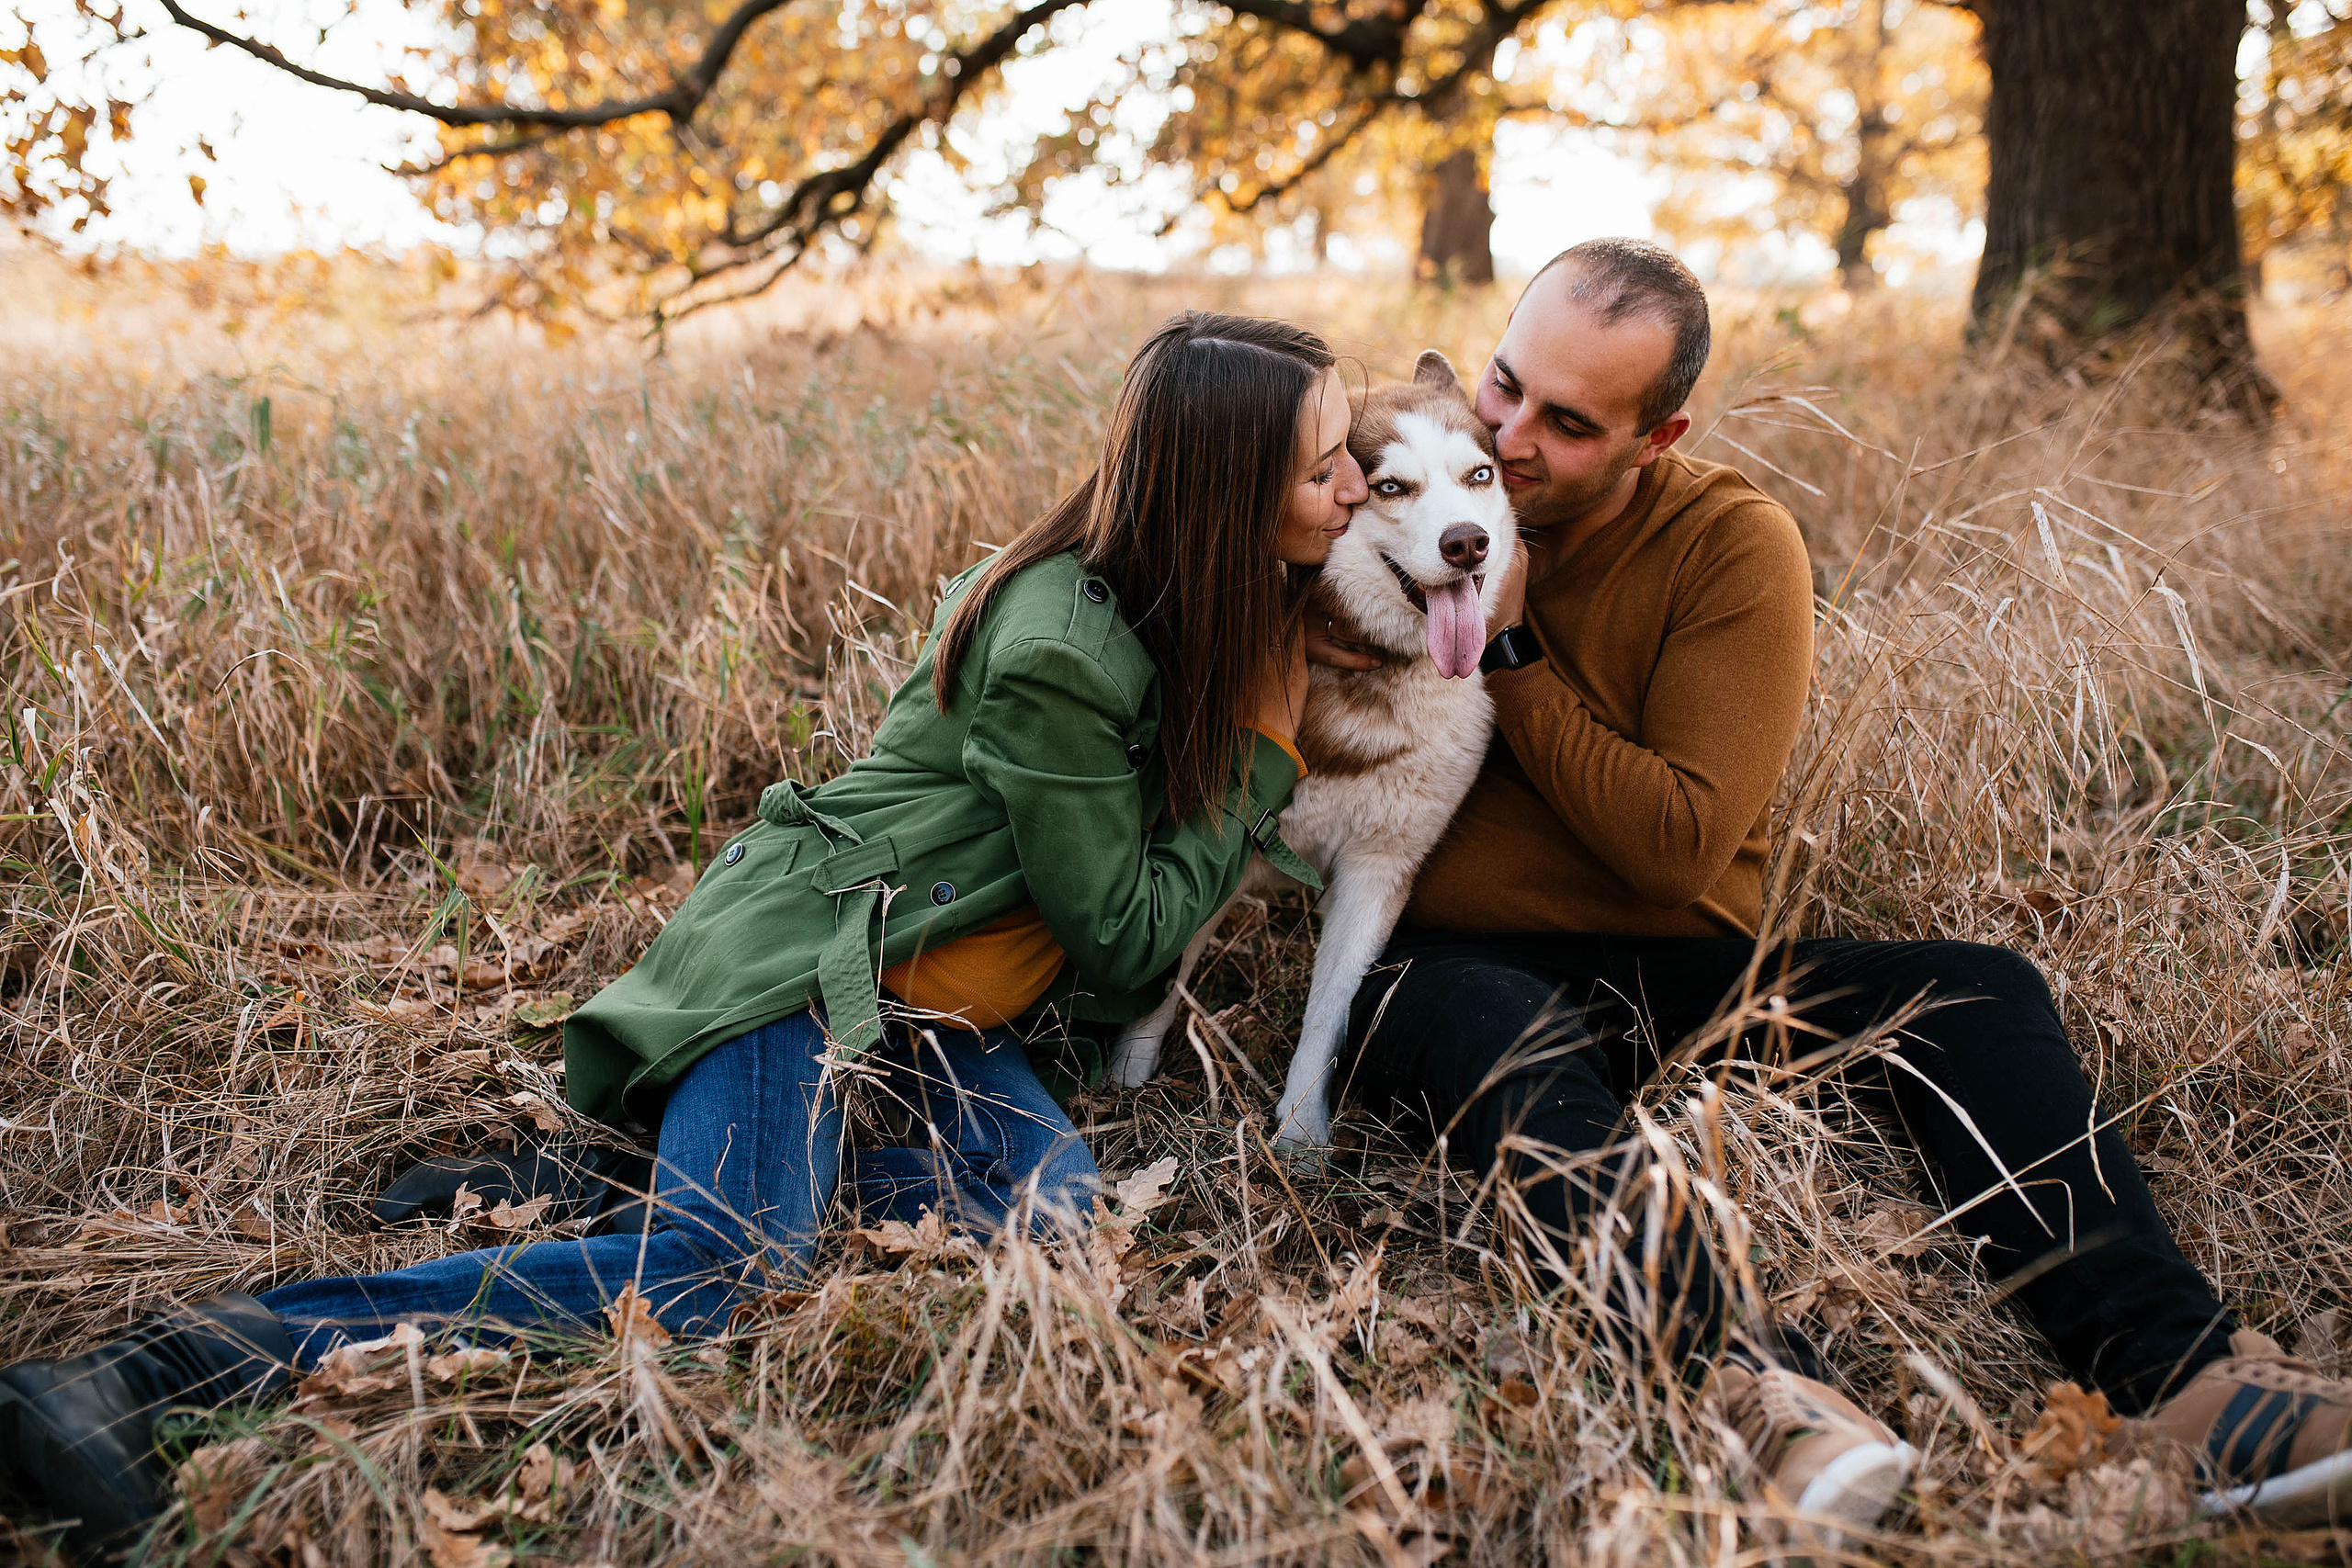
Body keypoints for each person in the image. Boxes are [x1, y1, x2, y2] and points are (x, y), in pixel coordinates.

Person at [0, 310, 1371, 1560]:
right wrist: (1261, 737)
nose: (1357, 486)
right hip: (821, 976)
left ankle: (643, 1177)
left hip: (933, 1025)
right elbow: (1126, 939)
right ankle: (153, 1376)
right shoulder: (1066, 647)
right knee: (725, 1275)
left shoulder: (1179, 601)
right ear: (1222, 493)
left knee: (1055, 1219)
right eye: (1324, 471)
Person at [1312, 239, 2352, 1535]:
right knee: (1487, 1031)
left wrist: (1510, 643)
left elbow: (1679, 848)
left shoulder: (1729, 548)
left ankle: (2186, 1381)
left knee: (1976, 991)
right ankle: (1744, 1383)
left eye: (1567, 424)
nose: (1509, 439)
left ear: (1659, 435)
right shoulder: (1392, 487)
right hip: (1443, 967)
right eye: (1506, 384)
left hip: (1673, 967)